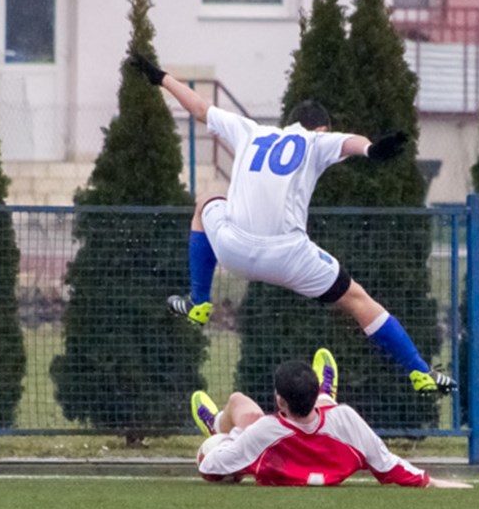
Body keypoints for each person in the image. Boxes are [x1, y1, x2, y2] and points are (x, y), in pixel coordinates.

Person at [129, 53, 455, 395]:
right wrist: (372, 149)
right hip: (289, 256)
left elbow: (199, 108)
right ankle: (420, 372)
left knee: (207, 202)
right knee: (359, 302)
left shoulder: (250, 132)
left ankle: (198, 302)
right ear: (321, 128)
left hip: (233, 249)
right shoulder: (315, 141)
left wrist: (161, 77)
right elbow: (351, 142)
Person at [191, 347, 472, 488]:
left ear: (279, 401)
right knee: (332, 410)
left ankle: (216, 424)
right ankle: (326, 392)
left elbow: (209, 467)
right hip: (323, 446)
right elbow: (387, 465)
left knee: (241, 404)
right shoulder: (346, 419)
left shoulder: (263, 430)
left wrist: (235, 436)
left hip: (263, 446)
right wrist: (431, 481)